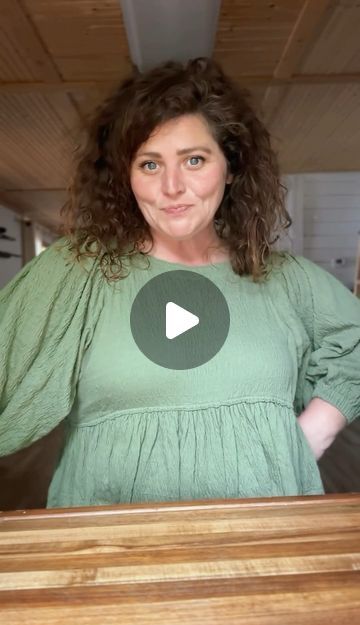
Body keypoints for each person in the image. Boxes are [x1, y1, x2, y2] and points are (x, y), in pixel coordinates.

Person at [0, 57, 359, 508]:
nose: (172, 186)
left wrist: (312, 434)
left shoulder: (286, 278)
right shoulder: (77, 271)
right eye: (149, 165)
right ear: (125, 178)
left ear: (230, 168)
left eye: (194, 159)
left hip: (265, 538)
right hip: (108, 546)